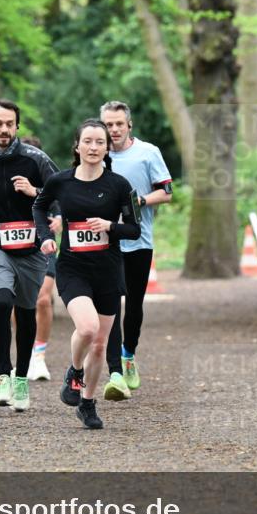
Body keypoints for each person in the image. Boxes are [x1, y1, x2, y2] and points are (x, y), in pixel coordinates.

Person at [34, 118, 140, 429]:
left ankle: (88, 403)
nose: (93, 147)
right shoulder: (60, 181)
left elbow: (133, 229)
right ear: (77, 146)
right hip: (73, 268)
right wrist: (46, 237)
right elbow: (39, 208)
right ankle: (74, 371)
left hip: (108, 270)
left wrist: (110, 227)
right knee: (89, 328)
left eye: (100, 142)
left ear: (108, 148)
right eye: (88, 141)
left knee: (99, 344)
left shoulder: (119, 185)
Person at [0, 99, 59, 411]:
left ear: (17, 126)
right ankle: (2, 377)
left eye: (9, 124)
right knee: (2, 301)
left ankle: (22, 379)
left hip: (31, 249)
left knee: (24, 310)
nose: (4, 129)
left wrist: (35, 191)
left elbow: (61, 191)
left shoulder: (36, 159)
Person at [98, 101, 173, 401]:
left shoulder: (148, 153)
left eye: (118, 124)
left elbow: (167, 192)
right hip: (106, 242)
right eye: (108, 124)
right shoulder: (96, 153)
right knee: (111, 305)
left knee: (134, 305)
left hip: (139, 241)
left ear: (129, 125)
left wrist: (139, 202)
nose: (113, 130)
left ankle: (129, 353)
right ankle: (115, 370)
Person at [21, 136, 62, 381]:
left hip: (44, 245)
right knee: (20, 302)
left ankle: (39, 355)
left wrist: (60, 218)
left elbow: (64, 202)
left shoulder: (50, 182)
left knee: (43, 299)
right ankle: (24, 352)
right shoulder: (11, 180)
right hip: (17, 247)